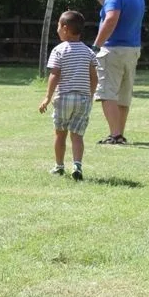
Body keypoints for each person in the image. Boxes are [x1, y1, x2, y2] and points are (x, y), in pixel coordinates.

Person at [90, 0, 145, 145]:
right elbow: (108, 6)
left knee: (107, 93)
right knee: (123, 95)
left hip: (113, 49)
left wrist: (97, 45)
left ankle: (114, 136)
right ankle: (119, 133)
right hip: (132, 49)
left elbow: (111, 18)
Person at [39, 10, 98, 180]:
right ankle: (77, 166)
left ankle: (59, 166)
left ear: (65, 28)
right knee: (77, 135)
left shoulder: (59, 50)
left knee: (60, 133)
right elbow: (94, 76)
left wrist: (47, 97)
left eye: (58, 25)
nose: (57, 29)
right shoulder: (88, 52)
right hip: (83, 98)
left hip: (64, 97)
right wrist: (90, 94)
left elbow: (55, 75)